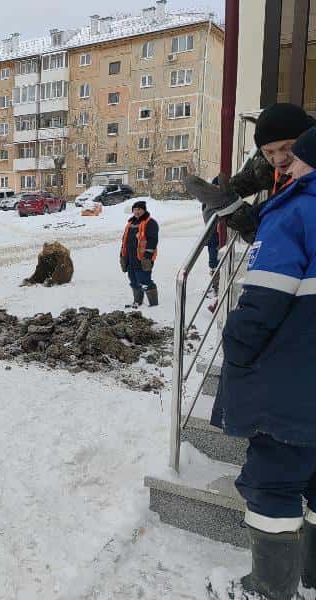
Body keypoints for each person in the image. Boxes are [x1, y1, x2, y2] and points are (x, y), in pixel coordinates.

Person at [207, 126, 316, 599]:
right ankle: (310, 578)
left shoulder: (297, 210)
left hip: (294, 376)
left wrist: (237, 350)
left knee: (273, 481)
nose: (284, 165)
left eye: (293, 158)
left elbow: (263, 303)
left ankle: (269, 591)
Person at [185, 103, 316, 241]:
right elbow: (249, 180)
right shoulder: (268, 167)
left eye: (288, 147)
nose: (279, 159)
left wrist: (231, 208)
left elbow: (278, 236)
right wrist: (220, 193)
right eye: (269, 151)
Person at [119, 200, 158, 308]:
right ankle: (137, 301)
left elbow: (153, 240)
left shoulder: (150, 222)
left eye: (139, 209)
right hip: (130, 258)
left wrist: (148, 257)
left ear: (144, 210)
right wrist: (122, 255)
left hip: (143, 258)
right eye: (135, 209)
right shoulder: (130, 223)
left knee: (144, 280)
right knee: (133, 279)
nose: (137, 212)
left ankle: (153, 303)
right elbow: (124, 240)